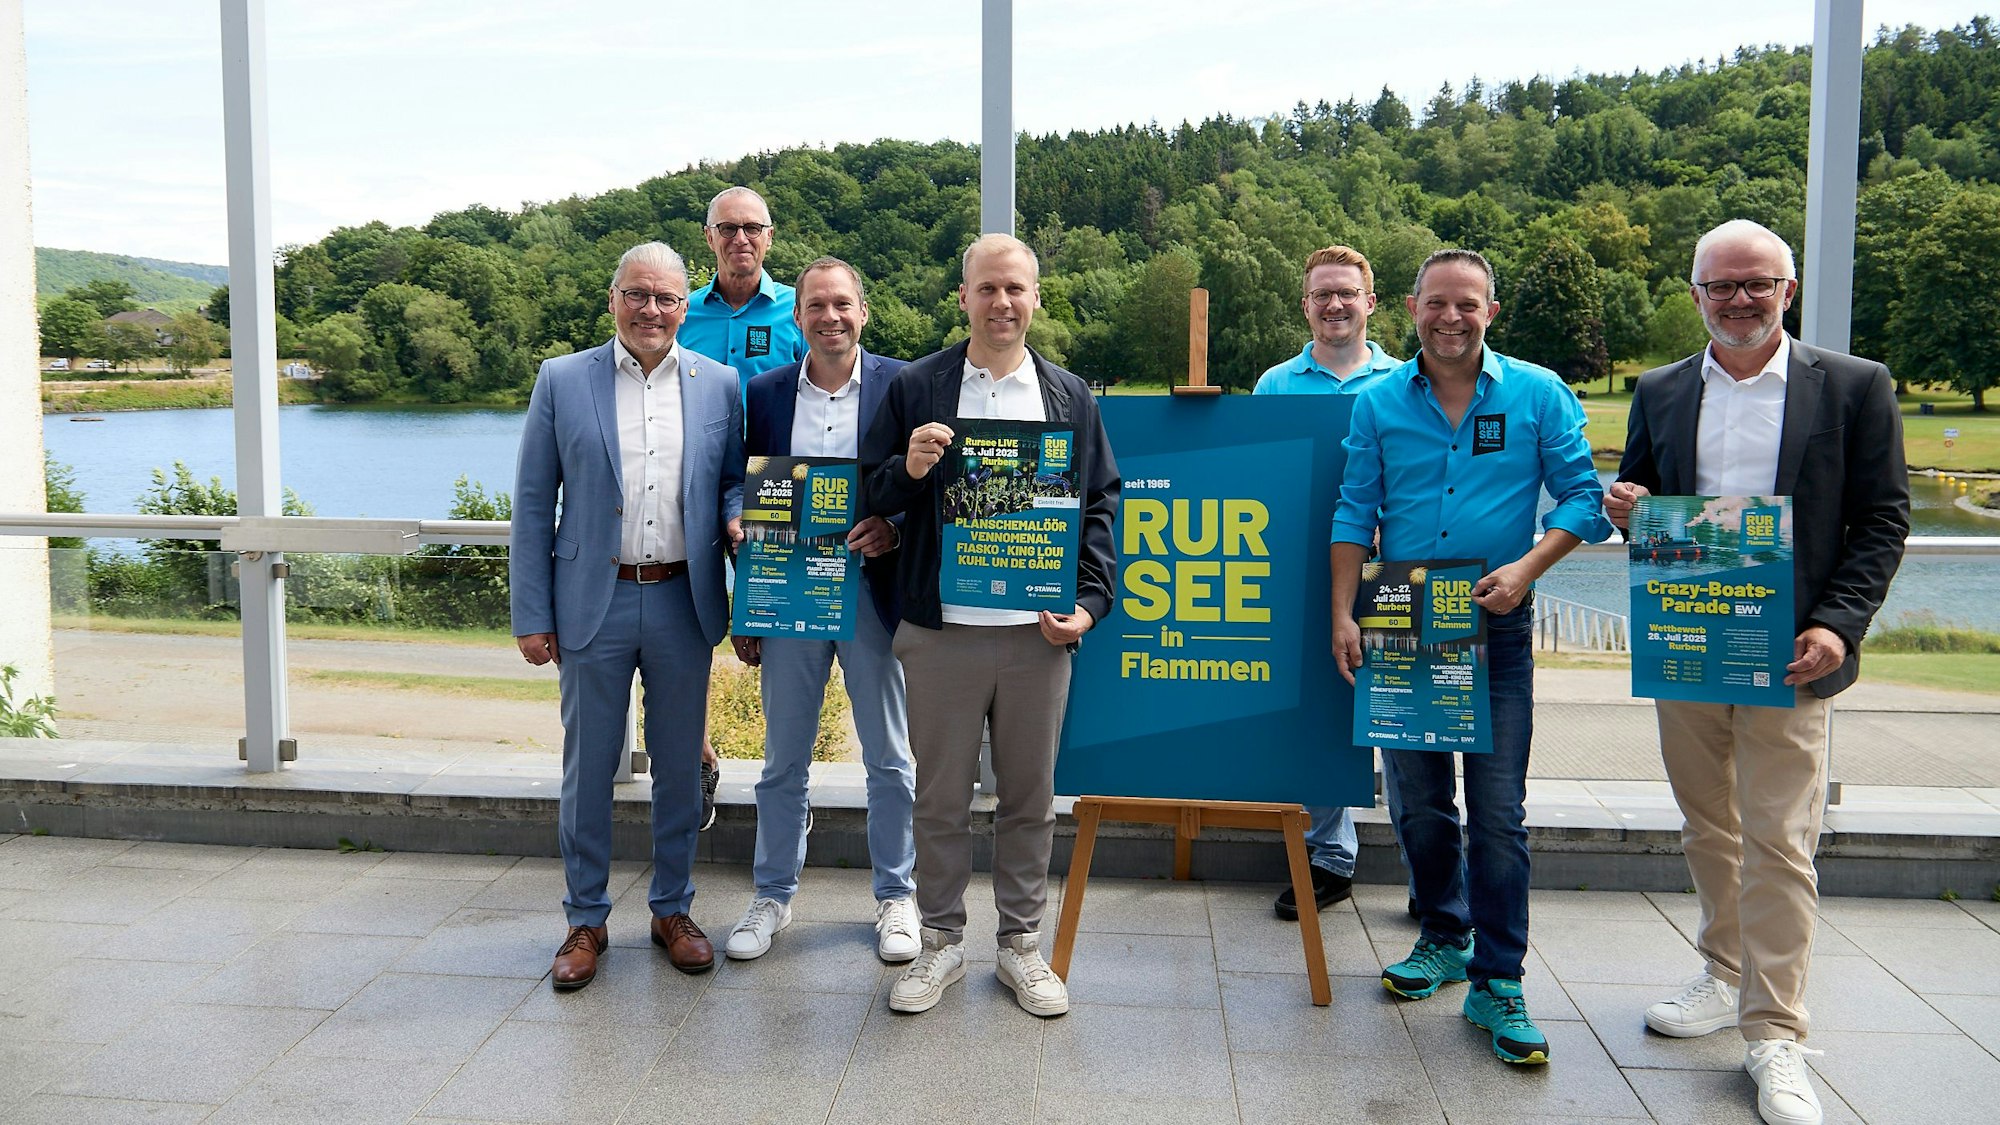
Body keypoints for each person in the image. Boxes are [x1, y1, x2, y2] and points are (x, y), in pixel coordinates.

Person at [1606, 219, 1910, 1125]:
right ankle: (1723, 968)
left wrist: (1838, 626)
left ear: (1788, 289)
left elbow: (1882, 520)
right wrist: (1627, 507)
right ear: (1696, 292)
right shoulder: (1660, 388)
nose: (1739, 299)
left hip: (1791, 651)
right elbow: (1642, 499)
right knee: (1708, 826)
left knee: (1778, 838)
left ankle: (1775, 1031)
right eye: (1722, 285)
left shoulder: (1854, 385)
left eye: (1757, 283)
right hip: (1692, 642)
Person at [1330, 248, 1611, 1065]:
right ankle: (1444, 935)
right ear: (1411, 307)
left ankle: (1499, 979)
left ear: (1492, 310)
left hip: (1497, 624)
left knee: (1496, 810)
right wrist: (1342, 614)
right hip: (1400, 616)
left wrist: (1527, 569)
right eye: (1436, 302)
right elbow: (1354, 511)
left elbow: (1585, 499)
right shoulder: (1380, 402)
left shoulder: (1537, 392)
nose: (1450, 317)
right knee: (1417, 802)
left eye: (1467, 304)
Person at [860, 233, 1120, 1018]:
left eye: (1015, 288)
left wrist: (1091, 602)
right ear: (964, 296)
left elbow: (1100, 504)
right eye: (987, 288)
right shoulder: (919, 385)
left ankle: (1020, 946)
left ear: (1035, 296)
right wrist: (909, 468)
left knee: (1030, 799)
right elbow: (870, 492)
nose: (1001, 302)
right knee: (938, 799)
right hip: (942, 631)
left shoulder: (1068, 395)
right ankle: (939, 941)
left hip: (1038, 634)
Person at [511, 241, 744, 989]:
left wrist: (738, 517)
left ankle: (672, 908)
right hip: (592, 601)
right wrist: (531, 611)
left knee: (679, 767)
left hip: (683, 597)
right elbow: (531, 502)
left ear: (685, 306)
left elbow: (733, 482)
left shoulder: (720, 385)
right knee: (588, 768)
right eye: (637, 295)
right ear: (613, 299)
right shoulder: (562, 379)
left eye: (666, 298)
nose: (651, 309)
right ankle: (585, 918)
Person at [725, 257, 920, 965]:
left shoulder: (904, 384)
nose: (830, 317)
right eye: (816, 305)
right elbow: (741, 485)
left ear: (863, 311)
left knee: (889, 755)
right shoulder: (766, 392)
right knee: (782, 759)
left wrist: (894, 526)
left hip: (872, 591)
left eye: (842, 304)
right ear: (797, 314)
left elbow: (927, 486)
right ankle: (772, 894)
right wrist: (741, 546)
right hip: (788, 590)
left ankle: (897, 895)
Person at [1253, 244, 1400, 920]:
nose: (1334, 304)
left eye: (1346, 293)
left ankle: (1429, 874)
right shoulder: (1275, 386)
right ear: (1305, 304)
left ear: (1370, 302)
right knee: (1319, 706)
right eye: (1322, 294)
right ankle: (1330, 857)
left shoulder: (1407, 380)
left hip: (1395, 568)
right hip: (1304, 568)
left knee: (1405, 714)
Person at [679, 186, 807, 380]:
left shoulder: (799, 309)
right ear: (709, 237)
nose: (740, 239)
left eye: (752, 228)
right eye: (728, 228)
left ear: (769, 237)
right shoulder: (683, 313)